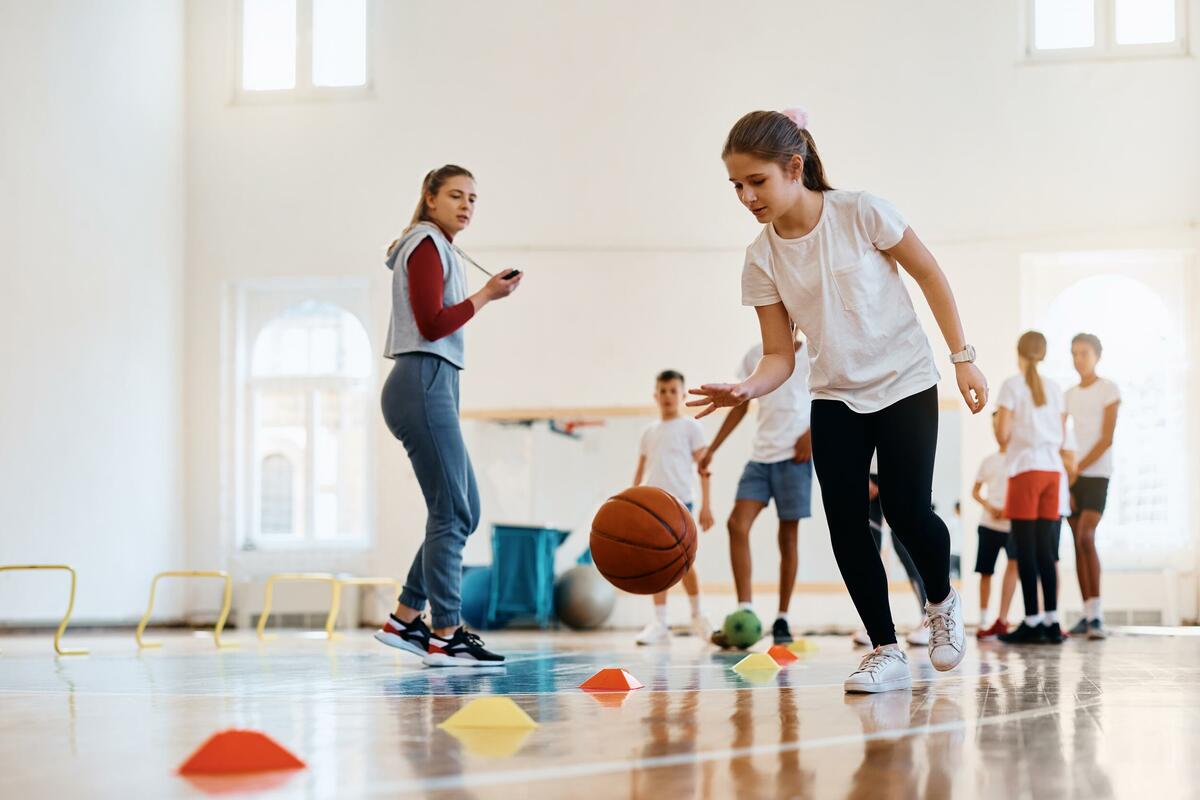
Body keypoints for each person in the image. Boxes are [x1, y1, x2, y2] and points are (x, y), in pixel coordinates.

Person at [690, 108, 988, 693]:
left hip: (905, 381)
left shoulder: (861, 212)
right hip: (834, 395)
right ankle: (884, 649)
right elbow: (779, 355)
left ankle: (942, 600)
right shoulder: (761, 258)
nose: (747, 197)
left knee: (907, 511)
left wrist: (963, 357)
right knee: (846, 525)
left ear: (793, 167)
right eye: (737, 186)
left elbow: (929, 274)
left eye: (756, 181)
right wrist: (746, 387)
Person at [373, 165, 522, 667]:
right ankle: (446, 632)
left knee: (464, 510)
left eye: (473, 199)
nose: (466, 205)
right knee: (452, 512)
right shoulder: (425, 243)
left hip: (433, 382)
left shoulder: (439, 246)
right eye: (456, 195)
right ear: (430, 198)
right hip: (422, 380)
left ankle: (405, 618)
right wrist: (487, 295)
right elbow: (433, 324)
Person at [699, 330, 813, 646]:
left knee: (788, 537)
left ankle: (782, 617)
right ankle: (745, 611)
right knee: (737, 524)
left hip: (795, 458)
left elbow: (832, 397)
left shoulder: (813, 355)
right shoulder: (755, 356)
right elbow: (740, 405)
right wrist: (712, 448)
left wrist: (813, 434)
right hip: (761, 458)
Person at [633, 370, 715, 645]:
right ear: (655, 396)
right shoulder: (648, 432)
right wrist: (631, 503)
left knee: (684, 561)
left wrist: (706, 506)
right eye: (662, 391)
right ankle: (660, 622)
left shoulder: (691, 427)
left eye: (673, 391)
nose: (667, 396)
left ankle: (698, 615)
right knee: (656, 563)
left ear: (681, 395)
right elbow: (640, 470)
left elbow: (704, 468)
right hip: (652, 505)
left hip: (681, 503)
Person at [996, 331, 1066, 645]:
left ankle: (1032, 621)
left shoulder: (1011, 386)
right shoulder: (1055, 388)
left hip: (1025, 470)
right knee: (1046, 550)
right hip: (1052, 472)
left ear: (1019, 353)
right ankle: (1052, 621)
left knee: (1025, 550)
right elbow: (1061, 434)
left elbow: (1002, 435)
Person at [1064, 333, 1120, 639]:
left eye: (1084, 353)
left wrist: (1077, 469)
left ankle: (1096, 616)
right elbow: (1060, 435)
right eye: (1074, 353)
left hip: (1097, 474)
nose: (1078, 359)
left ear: (1097, 355)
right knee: (1077, 541)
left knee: (1086, 535)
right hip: (1072, 477)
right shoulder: (1068, 394)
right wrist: (1067, 474)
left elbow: (1106, 438)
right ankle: (1087, 615)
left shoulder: (1108, 389)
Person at [973, 412, 1018, 639]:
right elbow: (975, 492)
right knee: (985, 572)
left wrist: (1010, 509)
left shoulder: (1019, 459)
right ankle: (983, 619)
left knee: (1013, 566)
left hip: (1012, 526)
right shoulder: (988, 461)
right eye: (995, 426)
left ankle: (1002, 618)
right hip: (988, 524)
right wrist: (989, 506)